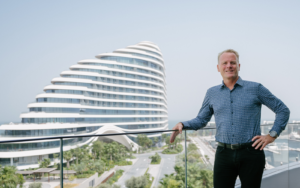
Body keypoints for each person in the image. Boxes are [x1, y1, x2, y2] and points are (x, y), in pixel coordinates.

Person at [170, 49, 290, 188]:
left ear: (239, 66)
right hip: (223, 154)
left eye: (233, 63)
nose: (229, 66)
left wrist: (272, 135)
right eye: (225, 63)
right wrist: (182, 124)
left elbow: (282, 110)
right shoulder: (212, 93)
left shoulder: (256, 88)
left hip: (251, 153)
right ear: (218, 68)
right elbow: (201, 120)